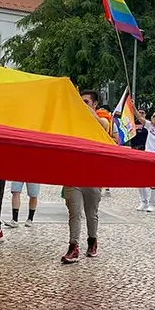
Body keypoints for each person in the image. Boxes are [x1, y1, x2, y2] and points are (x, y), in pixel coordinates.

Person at [61, 90, 110, 264]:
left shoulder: (102, 120)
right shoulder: (71, 122)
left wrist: (85, 109)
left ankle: (92, 241)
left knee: (91, 213)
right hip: (73, 175)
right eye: (79, 102)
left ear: (95, 105)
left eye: (86, 102)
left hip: (93, 176)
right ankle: (73, 246)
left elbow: (102, 125)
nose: (82, 105)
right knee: (74, 212)